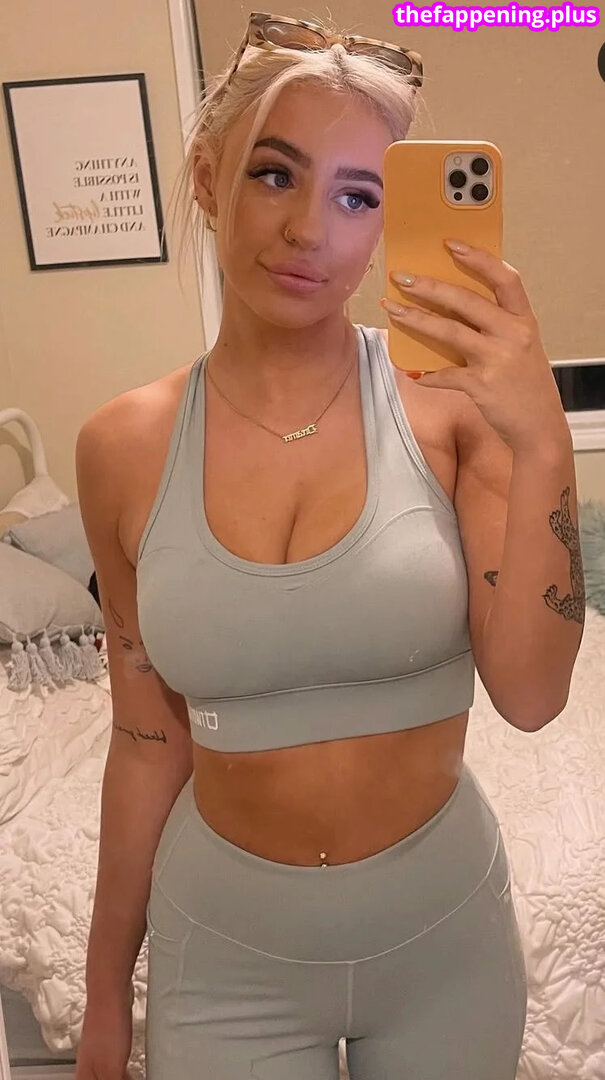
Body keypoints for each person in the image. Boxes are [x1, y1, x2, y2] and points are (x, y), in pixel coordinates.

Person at [75, 11, 531, 1079]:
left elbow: (531, 692)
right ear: (208, 177)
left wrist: (539, 434)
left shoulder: (446, 412)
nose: (308, 230)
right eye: (274, 175)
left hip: (445, 946)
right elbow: (145, 739)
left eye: (358, 197)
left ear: (384, 224)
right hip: (222, 958)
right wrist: (102, 996)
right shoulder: (120, 448)